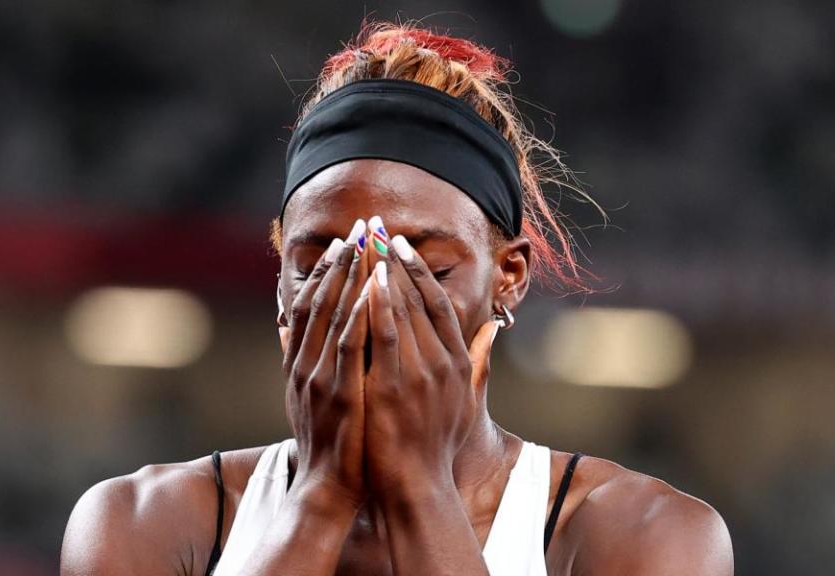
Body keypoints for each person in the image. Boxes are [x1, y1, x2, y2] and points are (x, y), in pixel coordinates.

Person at [60, 20, 734, 576]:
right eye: (321, 262)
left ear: (509, 276)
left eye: (422, 267)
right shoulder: (142, 522)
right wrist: (323, 495)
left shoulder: (645, 535)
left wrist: (418, 487)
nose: (370, 295)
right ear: (279, 286)